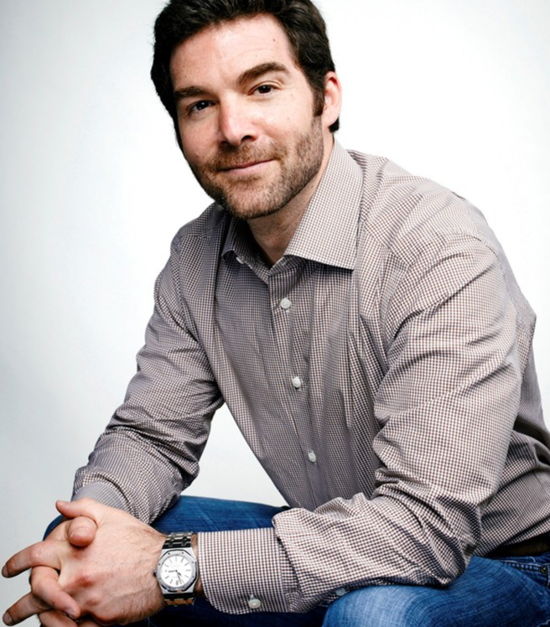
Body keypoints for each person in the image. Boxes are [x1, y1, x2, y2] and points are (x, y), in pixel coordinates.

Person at [3, 0, 550, 625]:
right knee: (92, 542)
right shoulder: (196, 259)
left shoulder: (436, 246)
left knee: (372, 615)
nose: (233, 128)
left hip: (508, 564)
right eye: (199, 104)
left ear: (327, 97)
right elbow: (151, 437)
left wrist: (168, 568)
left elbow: (427, 526)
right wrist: (84, 538)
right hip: (336, 544)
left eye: (262, 87)